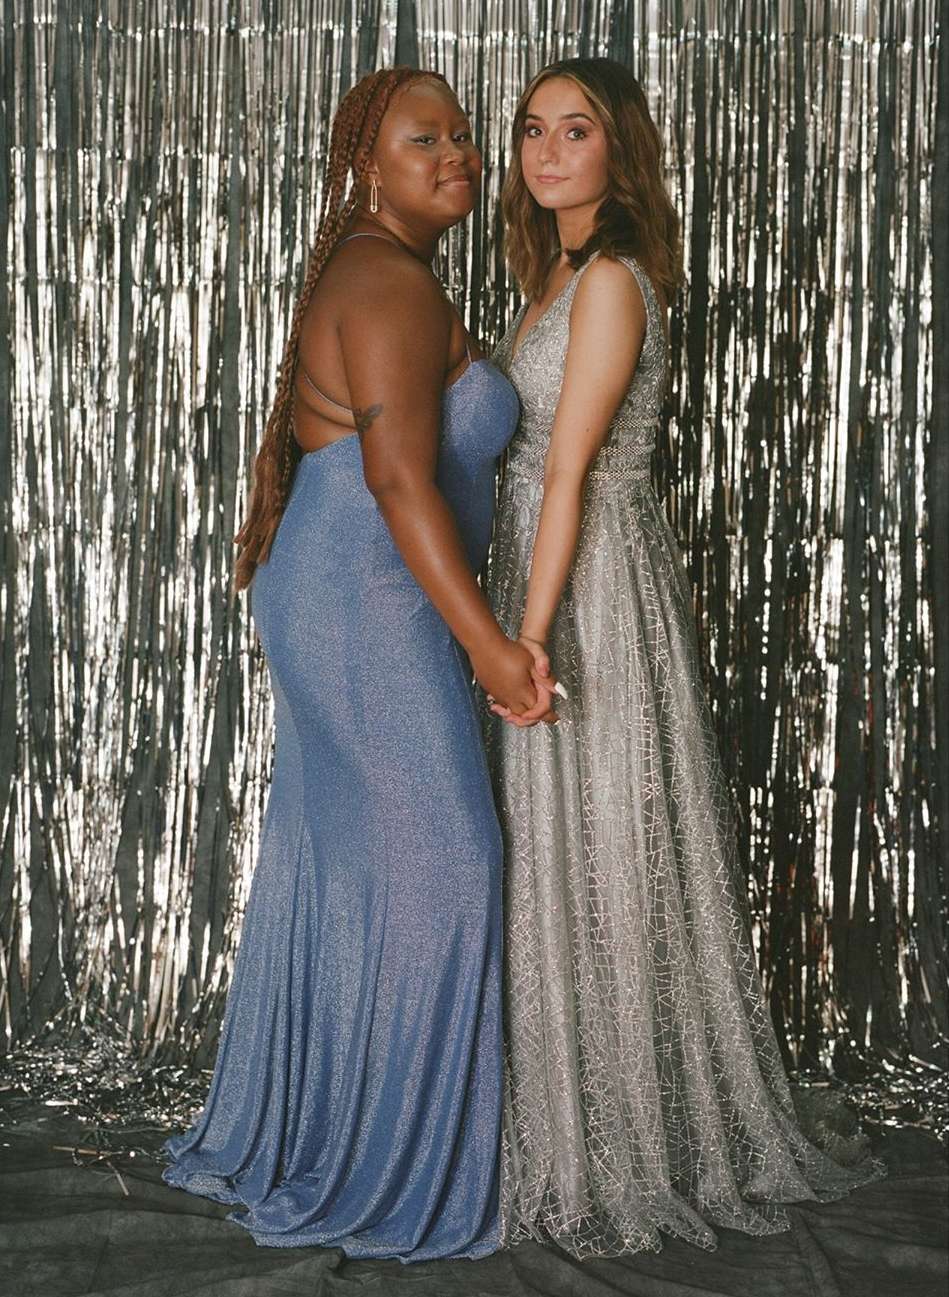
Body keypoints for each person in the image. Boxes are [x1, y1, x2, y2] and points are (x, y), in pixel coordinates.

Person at [483, 56, 884, 1258]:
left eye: (576, 131)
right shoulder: (550, 272)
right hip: (540, 562)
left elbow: (567, 472)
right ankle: (558, 1103)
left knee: (598, 842)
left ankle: (623, 1134)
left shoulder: (607, 279)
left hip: (586, 582)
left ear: (619, 152)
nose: (547, 151)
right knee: (554, 850)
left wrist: (531, 634)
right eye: (531, 130)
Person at [162, 66, 547, 1263]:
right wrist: (492, 648)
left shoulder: (392, 274)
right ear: (367, 167)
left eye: (465, 137)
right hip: (363, 594)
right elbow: (394, 481)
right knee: (450, 861)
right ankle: (389, 1165)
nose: (461, 156)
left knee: (353, 863)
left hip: (345, 587)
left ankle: (323, 1121)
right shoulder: (388, 284)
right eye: (424, 139)